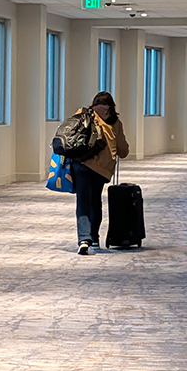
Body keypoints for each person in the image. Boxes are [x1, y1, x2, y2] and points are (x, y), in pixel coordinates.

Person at [70, 91, 129, 255]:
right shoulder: (115, 122)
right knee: (95, 200)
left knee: (83, 201)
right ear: (112, 106)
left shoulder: (84, 115)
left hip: (81, 163)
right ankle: (94, 238)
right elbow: (123, 151)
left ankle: (84, 239)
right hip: (100, 169)